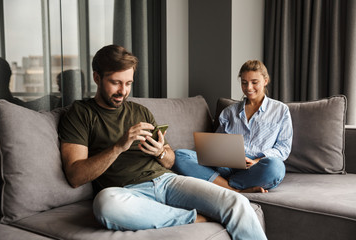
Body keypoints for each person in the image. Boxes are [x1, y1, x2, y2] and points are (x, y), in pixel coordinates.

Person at [58, 45, 267, 240]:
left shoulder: (140, 111)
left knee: (237, 202)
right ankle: (193, 218)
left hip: (167, 181)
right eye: (115, 82)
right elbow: (76, 176)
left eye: (128, 83)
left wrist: (160, 152)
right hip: (126, 191)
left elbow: (169, 160)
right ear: (97, 77)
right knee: (105, 205)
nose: (123, 91)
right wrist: (119, 146)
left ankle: (184, 214)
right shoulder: (80, 114)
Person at [173, 60, 293, 193]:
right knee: (179, 155)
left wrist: (258, 161)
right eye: (244, 82)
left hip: (255, 167)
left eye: (254, 82)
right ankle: (234, 189)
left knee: (276, 168)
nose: (248, 88)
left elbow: (283, 148)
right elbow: (217, 144)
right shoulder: (229, 112)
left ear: (265, 81)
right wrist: (216, 154)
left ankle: (219, 183)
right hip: (225, 165)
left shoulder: (281, 110)